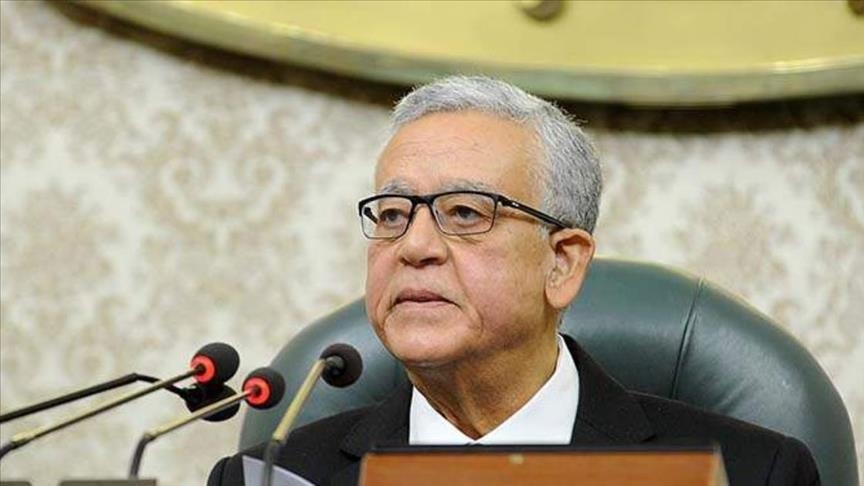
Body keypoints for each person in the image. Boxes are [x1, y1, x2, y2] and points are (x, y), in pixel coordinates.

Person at [208, 76, 819, 485]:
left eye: (464, 213)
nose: (414, 246)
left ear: (563, 263)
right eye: (392, 215)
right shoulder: (275, 478)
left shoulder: (752, 472)